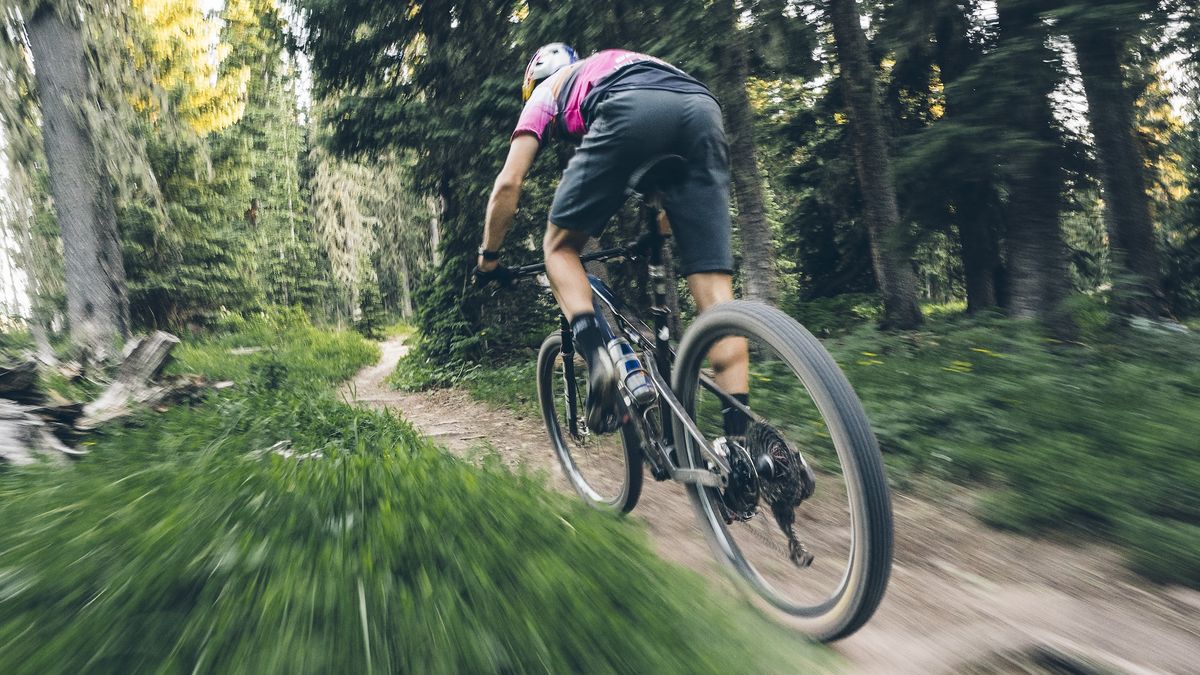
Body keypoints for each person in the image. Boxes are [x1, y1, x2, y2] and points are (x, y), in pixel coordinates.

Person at [475, 43, 749, 437]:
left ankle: (599, 356)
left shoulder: (545, 92)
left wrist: (489, 259)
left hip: (629, 106)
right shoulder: (614, 61)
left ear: (533, 78)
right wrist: (657, 231)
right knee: (719, 304)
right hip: (701, 106)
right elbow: (666, 151)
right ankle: (742, 449)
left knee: (558, 248)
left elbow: (508, 184)